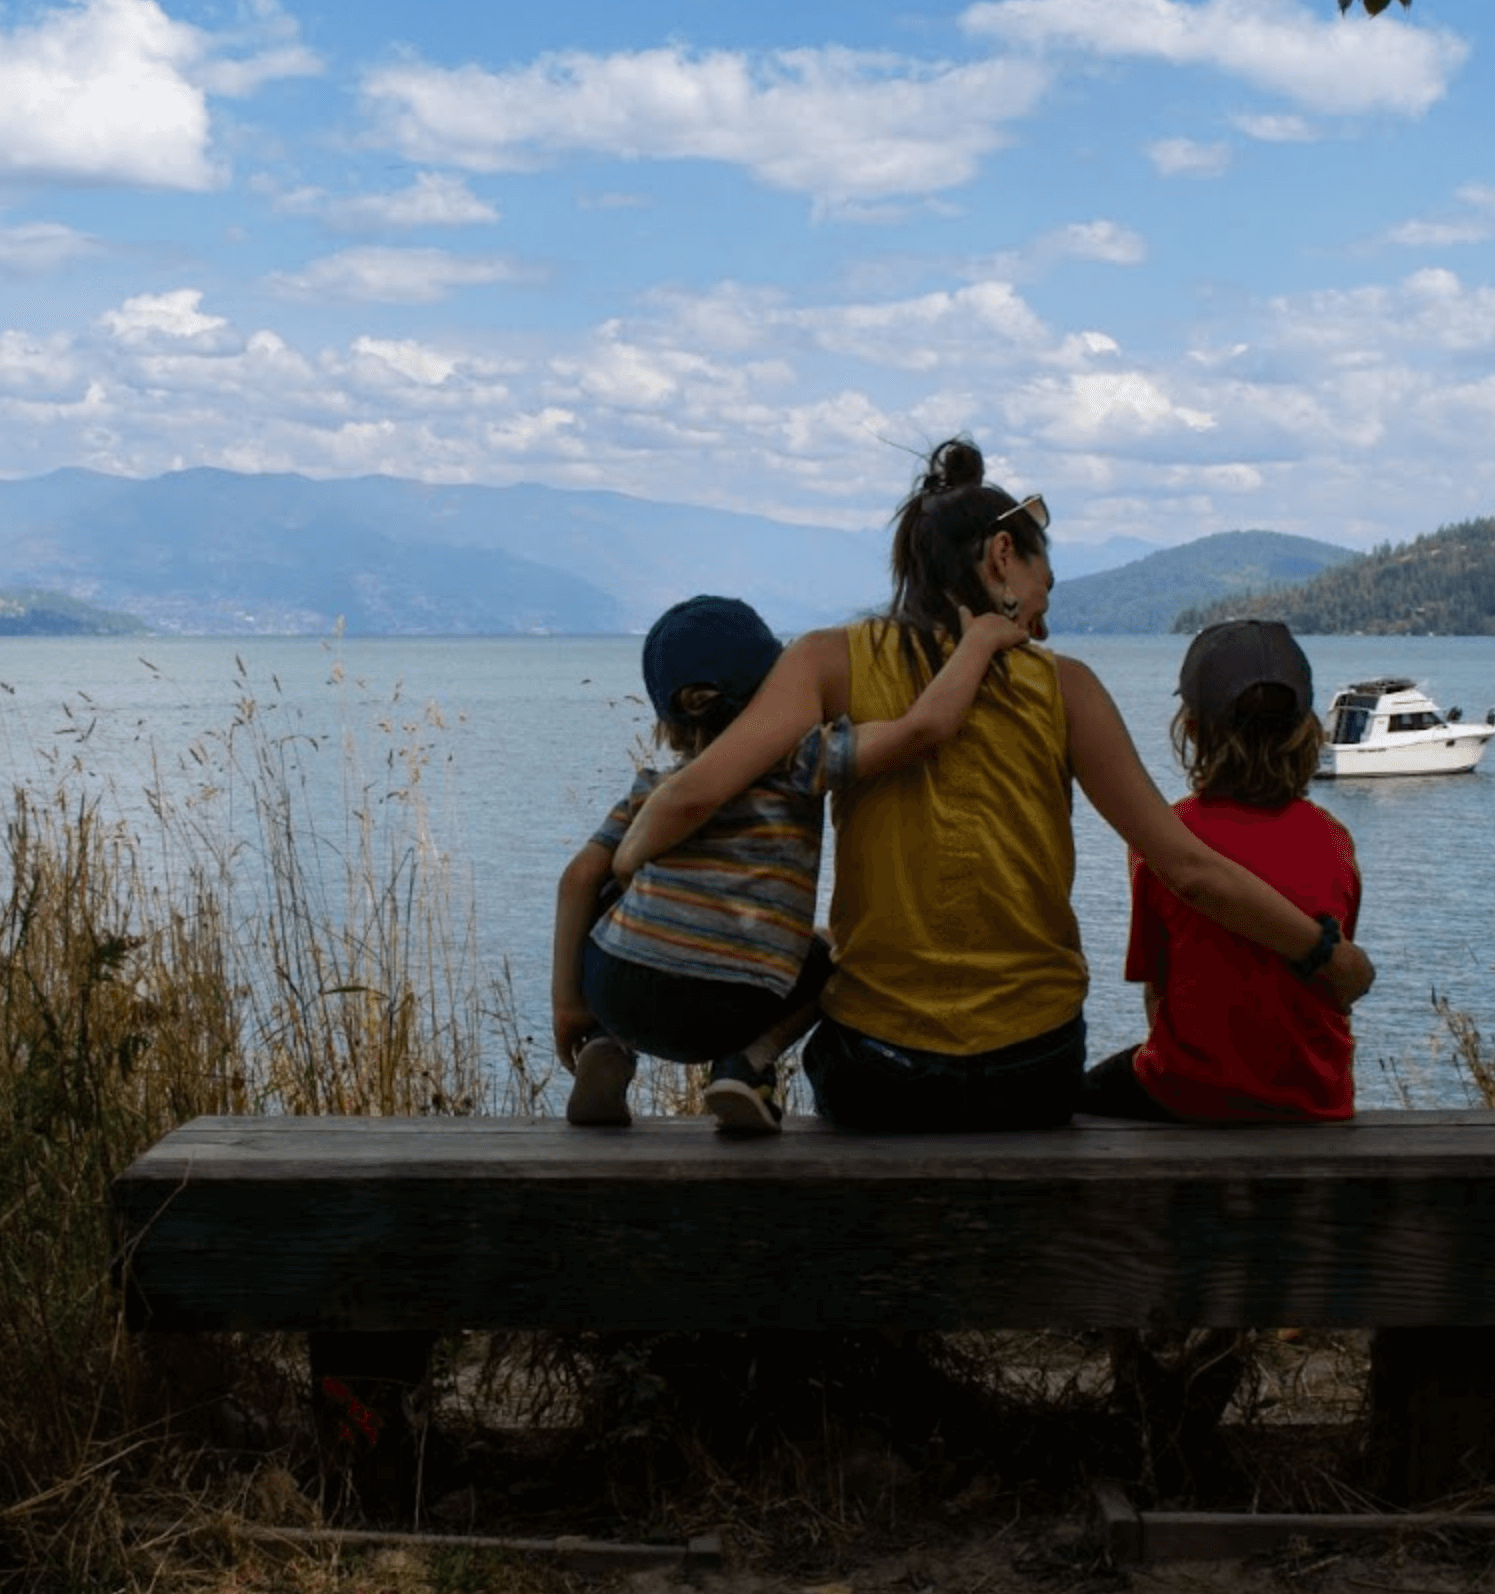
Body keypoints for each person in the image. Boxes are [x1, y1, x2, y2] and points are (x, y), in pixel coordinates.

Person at [616, 440, 1374, 1132]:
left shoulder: (826, 661)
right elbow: (1189, 868)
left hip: (879, 1075)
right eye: (1046, 573)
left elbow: (694, 792)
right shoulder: (1067, 688)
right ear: (1003, 557)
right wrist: (1325, 954)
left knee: (825, 962)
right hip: (1031, 1072)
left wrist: (620, 870)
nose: (1049, 596)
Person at [552, 593, 1026, 1134]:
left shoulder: (649, 793)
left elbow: (577, 880)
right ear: (773, 687)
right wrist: (978, 643)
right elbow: (923, 729)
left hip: (623, 991)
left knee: (613, 898)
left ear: (671, 717)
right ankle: (745, 1065)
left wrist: (569, 1006)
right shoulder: (801, 759)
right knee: (838, 951)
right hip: (736, 1003)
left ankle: (604, 1046)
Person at [1077, 618, 1359, 1123]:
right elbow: (1333, 987)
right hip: (1317, 1100)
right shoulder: (1333, 839)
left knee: (1074, 1103)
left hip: (1194, 1093)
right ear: (1307, 728)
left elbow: (1157, 989)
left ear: (1190, 730)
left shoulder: (1168, 836)